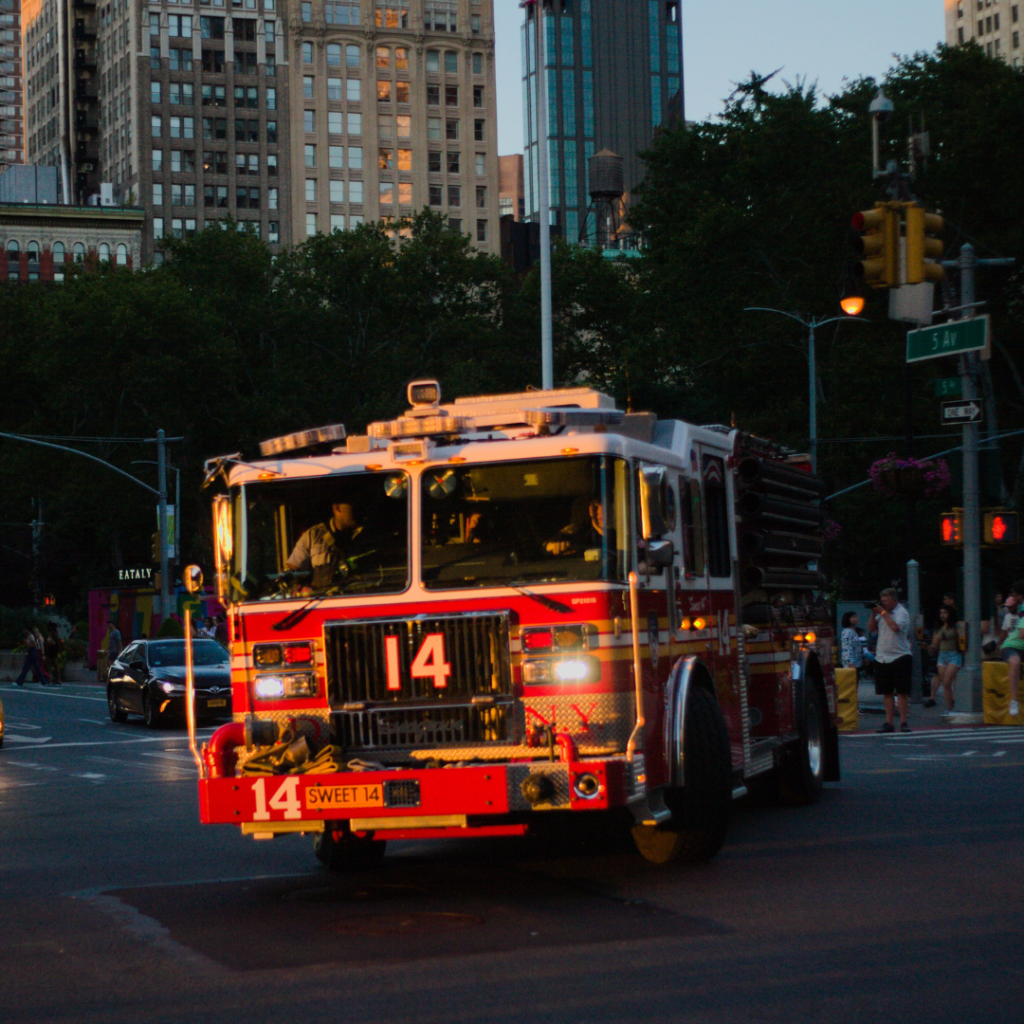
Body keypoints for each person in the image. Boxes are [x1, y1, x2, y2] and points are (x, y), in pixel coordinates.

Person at [286, 501, 375, 589]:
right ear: (337, 508)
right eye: (352, 504)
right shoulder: (313, 536)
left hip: (362, 598)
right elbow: (292, 574)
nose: (360, 509)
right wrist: (304, 590)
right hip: (322, 600)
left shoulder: (371, 535)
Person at [869, 587, 914, 733]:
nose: (883, 604)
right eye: (882, 602)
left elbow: (895, 628)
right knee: (886, 692)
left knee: (902, 692)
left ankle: (903, 722)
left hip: (900, 656)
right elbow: (871, 629)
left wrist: (882, 613)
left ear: (894, 601)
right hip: (882, 656)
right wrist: (873, 614)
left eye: (886, 602)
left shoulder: (902, 613)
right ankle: (888, 723)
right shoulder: (882, 613)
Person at [924, 606, 961, 713]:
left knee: (946, 681)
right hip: (942, 655)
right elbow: (935, 645)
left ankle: (952, 704)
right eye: (941, 613)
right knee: (946, 684)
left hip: (954, 654)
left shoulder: (956, 626)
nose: (942, 615)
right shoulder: (939, 629)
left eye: (945, 612)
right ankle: (949, 707)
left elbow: (962, 639)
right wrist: (928, 647)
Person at [999, 583, 1024, 718]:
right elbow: (1022, 634)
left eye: (1015, 596)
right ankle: (1013, 701)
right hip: (1012, 646)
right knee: (1015, 662)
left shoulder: (1021, 607)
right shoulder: (1022, 609)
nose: (1013, 598)